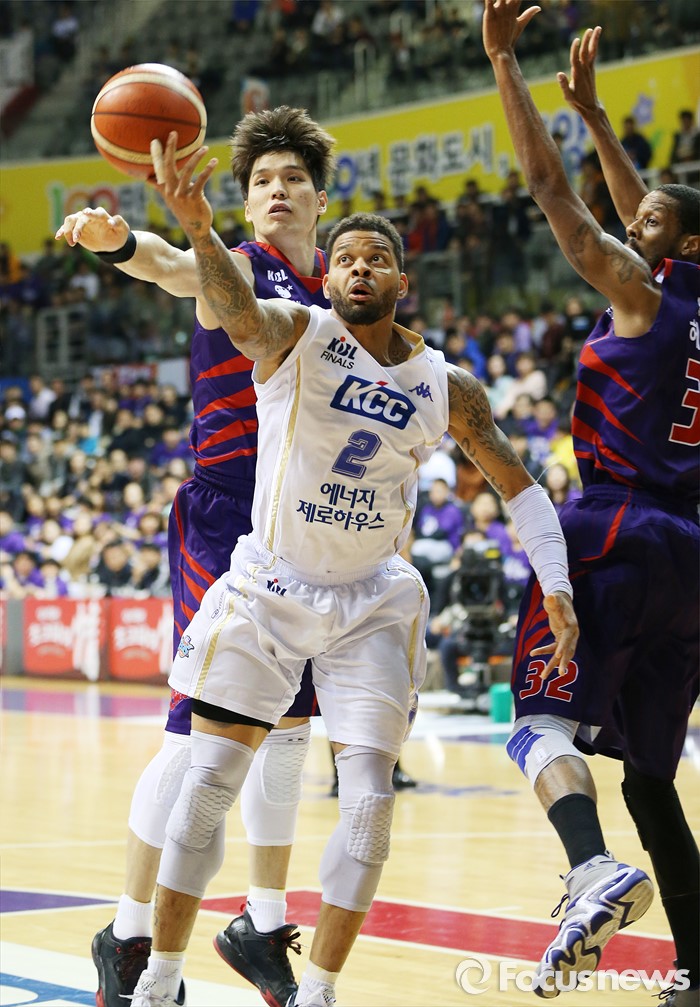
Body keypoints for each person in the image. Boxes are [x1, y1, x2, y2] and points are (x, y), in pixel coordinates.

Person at [127, 131, 578, 1006]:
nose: (359, 268)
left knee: (369, 801)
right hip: (269, 585)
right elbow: (236, 310)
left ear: (402, 280)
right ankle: (159, 978)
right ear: (324, 280)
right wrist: (199, 227)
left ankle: (320, 990)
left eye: (376, 258)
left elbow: (519, 484)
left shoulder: (445, 383)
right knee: (210, 783)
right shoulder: (295, 332)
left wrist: (554, 582)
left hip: (372, 600)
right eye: (344, 260)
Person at [56, 106, 337, 1007]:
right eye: (262, 181)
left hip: (306, 528)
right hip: (225, 519)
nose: (278, 191)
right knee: (197, 737)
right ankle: (126, 933)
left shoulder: (340, 286)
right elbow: (175, 267)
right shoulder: (237, 263)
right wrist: (119, 242)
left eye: (293, 179)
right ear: (245, 203)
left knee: (289, 730)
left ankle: (262, 920)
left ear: (320, 198)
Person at [483, 5, 699, 1002]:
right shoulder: (686, 295)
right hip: (690, 557)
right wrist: (601, 123)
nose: (628, 223)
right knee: (650, 778)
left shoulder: (642, 295)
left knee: (537, 720)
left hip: (616, 526)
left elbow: (551, 193)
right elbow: (650, 210)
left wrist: (506, 65)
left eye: (645, 225)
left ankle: (590, 870)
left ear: (676, 245)